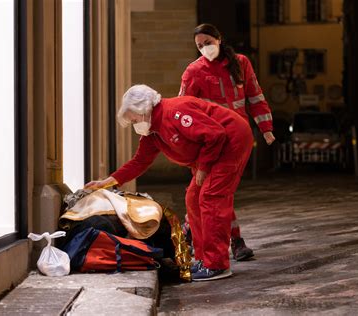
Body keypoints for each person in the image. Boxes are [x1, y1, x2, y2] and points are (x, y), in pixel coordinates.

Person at [85, 84, 254, 281]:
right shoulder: (153, 131)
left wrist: (204, 167)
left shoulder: (174, 112)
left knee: (211, 197)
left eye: (134, 119)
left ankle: (216, 264)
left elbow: (215, 135)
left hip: (231, 141)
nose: (134, 124)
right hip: (216, 148)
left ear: (143, 110)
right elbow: (139, 161)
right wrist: (109, 181)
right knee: (193, 198)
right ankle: (203, 259)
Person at [179, 23, 276, 261]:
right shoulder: (194, 71)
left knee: (215, 192)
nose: (204, 48)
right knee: (214, 193)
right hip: (209, 142)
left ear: (219, 39)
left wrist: (266, 128)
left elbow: (255, 96)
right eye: (200, 46)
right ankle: (233, 240)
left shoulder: (241, 63)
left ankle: (189, 232)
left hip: (235, 140)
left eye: (208, 43)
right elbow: (183, 108)